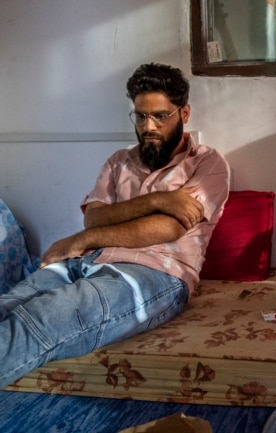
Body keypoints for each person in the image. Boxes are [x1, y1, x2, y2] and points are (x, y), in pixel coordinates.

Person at [0, 63, 230, 388]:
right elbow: (93, 217)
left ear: (184, 113)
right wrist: (157, 200)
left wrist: (83, 238)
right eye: (140, 116)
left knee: (42, 318)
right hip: (85, 261)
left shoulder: (208, 164)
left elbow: (169, 228)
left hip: (154, 274)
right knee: (7, 304)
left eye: (160, 116)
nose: (148, 126)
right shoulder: (118, 161)